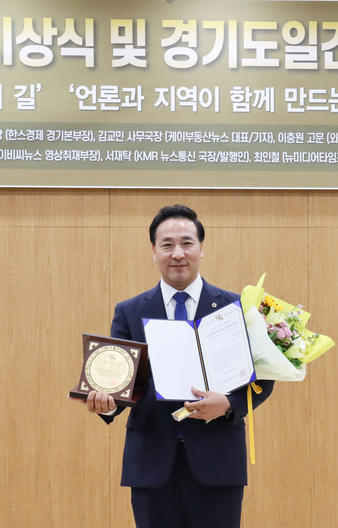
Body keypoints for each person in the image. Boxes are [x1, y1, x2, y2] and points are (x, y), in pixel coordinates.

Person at [74, 204, 274, 528]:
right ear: (154, 251)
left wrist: (228, 404)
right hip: (151, 464)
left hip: (218, 461)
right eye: (167, 244)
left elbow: (263, 377)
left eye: (186, 243)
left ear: (201, 247)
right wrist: (106, 404)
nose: (177, 253)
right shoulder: (129, 311)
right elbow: (121, 381)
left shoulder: (235, 308)